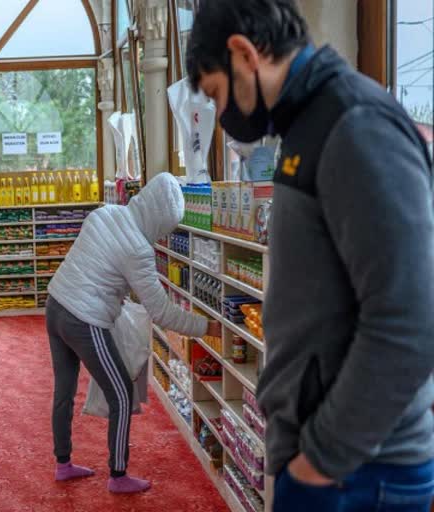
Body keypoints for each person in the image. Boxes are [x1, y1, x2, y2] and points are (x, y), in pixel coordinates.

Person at [186, 1, 434, 511]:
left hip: (357, 472)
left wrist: (319, 459)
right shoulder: (310, 125)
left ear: (242, 54)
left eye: (217, 94)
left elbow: (410, 318)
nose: (223, 117)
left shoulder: (354, 123)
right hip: (335, 463)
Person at [46, 172, 219, 494]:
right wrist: (208, 328)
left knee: (64, 390)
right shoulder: (138, 249)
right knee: (122, 394)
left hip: (55, 304)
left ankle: (63, 463)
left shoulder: (103, 213)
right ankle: (118, 474)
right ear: (159, 219)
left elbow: (96, 267)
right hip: (84, 319)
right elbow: (162, 312)